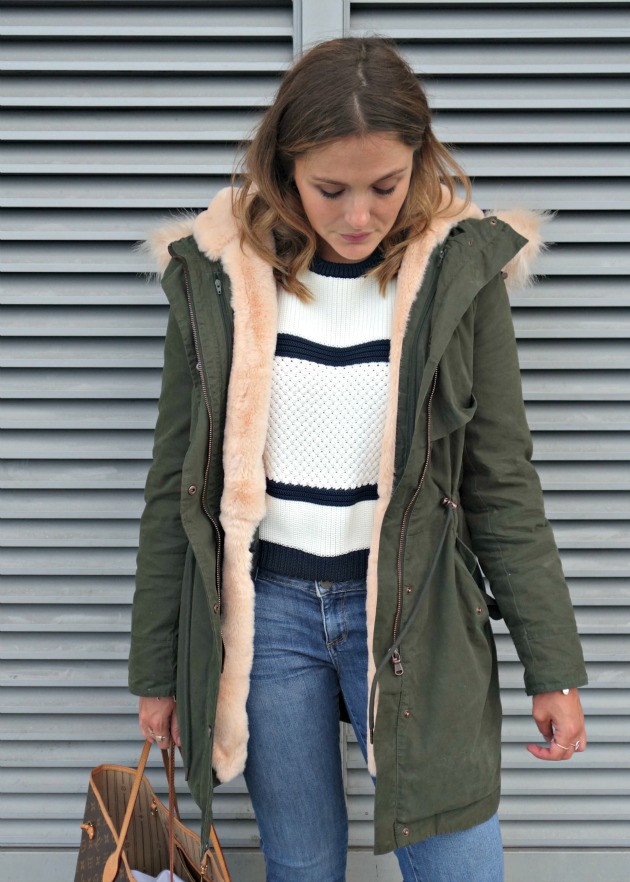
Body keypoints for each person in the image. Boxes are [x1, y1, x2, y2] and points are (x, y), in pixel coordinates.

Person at [128, 36, 588, 882]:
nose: (357, 216)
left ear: (420, 160)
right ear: (284, 169)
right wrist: (160, 672)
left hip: (421, 613)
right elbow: (174, 488)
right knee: (302, 865)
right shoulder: (220, 276)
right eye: (329, 190)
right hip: (269, 618)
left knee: (457, 863)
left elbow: (503, 484)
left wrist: (552, 667)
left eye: (385, 186)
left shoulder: (459, 275)